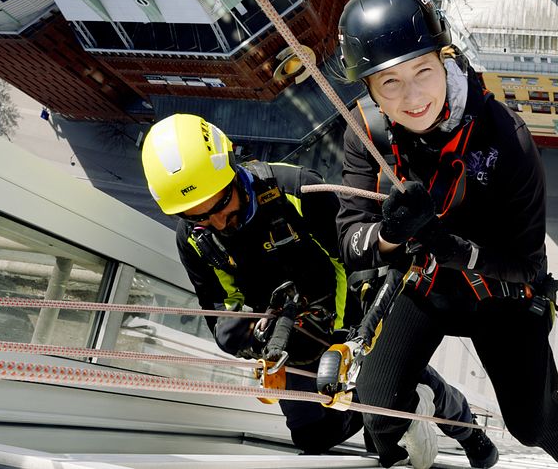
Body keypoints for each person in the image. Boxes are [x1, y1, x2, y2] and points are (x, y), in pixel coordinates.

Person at [336, 0, 558, 469]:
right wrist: (392, 232)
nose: (413, 97)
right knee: (375, 407)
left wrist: (455, 249)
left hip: (500, 293)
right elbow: (352, 242)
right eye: (389, 82)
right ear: (369, 89)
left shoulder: (505, 140)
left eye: (423, 72)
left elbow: (525, 264)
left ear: (445, 59)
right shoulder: (367, 134)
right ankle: (420, 424)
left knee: (531, 421)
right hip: (427, 286)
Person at [140, 113, 496, 466]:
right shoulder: (196, 240)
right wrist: (247, 334)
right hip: (290, 336)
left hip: (348, 314)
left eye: (220, 204)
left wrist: (345, 335)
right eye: (197, 215)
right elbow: (223, 303)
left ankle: (464, 429)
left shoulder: (295, 192)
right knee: (313, 436)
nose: (217, 222)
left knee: (388, 409)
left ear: (233, 170)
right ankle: (376, 410)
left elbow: (348, 259)